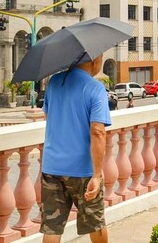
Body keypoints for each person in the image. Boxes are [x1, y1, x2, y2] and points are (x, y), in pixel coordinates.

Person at [41, 53, 111, 243]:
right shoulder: (95, 88)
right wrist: (96, 175)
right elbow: (97, 131)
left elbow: (50, 117)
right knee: (95, 224)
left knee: (52, 229)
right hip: (83, 171)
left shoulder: (54, 82)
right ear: (95, 60)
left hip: (52, 167)